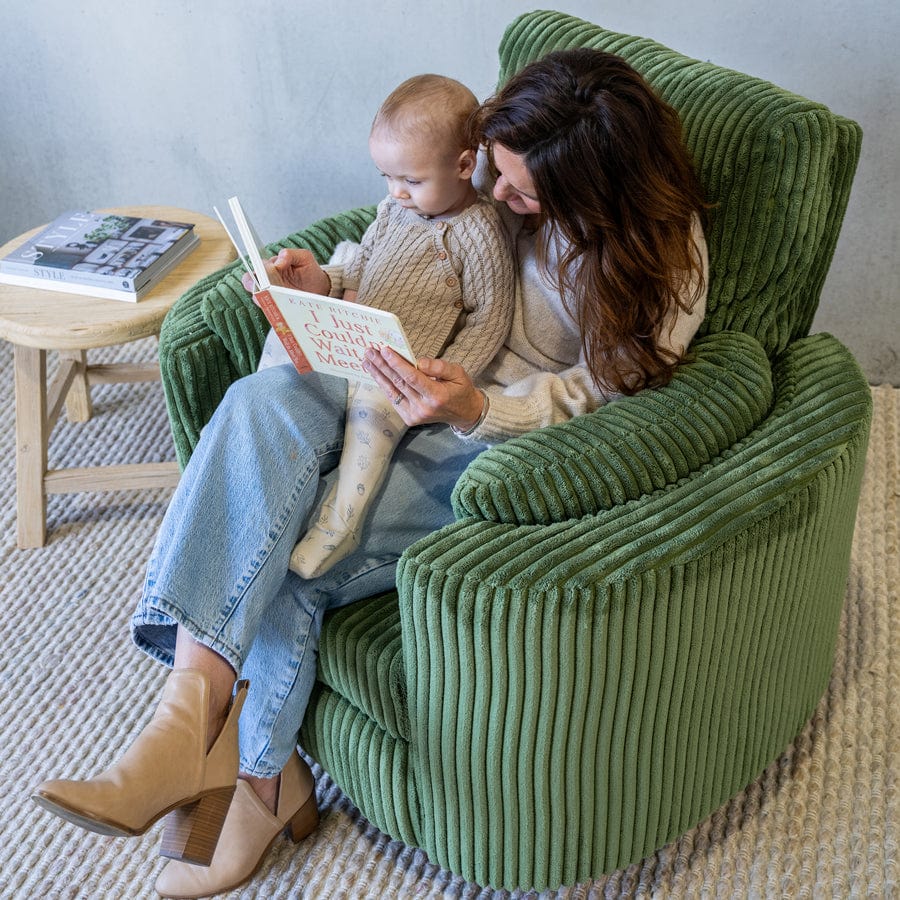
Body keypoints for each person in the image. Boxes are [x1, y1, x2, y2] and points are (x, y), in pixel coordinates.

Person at [31, 47, 708, 899]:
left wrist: (481, 411)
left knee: (300, 555)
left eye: (525, 194)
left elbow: (611, 395)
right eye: (495, 175)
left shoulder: (663, 270)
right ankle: (186, 716)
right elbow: (415, 232)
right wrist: (331, 282)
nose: (500, 201)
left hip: (487, 439)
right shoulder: (495, 179)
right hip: (406, 370)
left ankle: (255, 784)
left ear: (597, 196)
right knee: (256, 403)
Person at [279, 73, 514, 578]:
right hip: (349, 340)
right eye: (386, 177)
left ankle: (340, 522)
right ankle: (283, 479)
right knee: (279, 362)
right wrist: (320, 280)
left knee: (371, 421)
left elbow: (488, 319)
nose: (396, 192)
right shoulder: (391, 210)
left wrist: (445, 375)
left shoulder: (478, 233)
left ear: (464, 165)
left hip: (399, 369)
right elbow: (362, 266)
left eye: (411, 180)